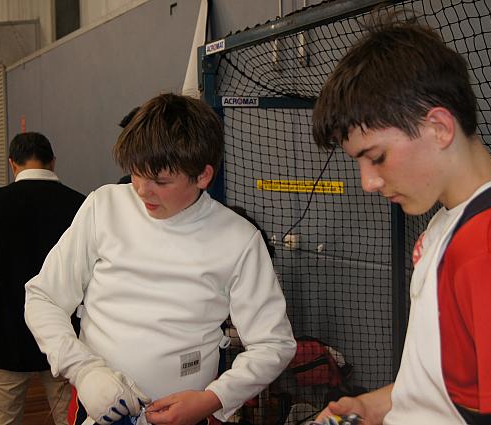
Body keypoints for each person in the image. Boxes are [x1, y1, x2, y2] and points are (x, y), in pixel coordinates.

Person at [311, 15, 491, 425]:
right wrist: (372, 406)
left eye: (377, 157)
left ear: (439, 128)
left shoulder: (489, 249)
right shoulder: (455, 222)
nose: (368, 182)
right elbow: (452, 384)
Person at [24, 93, 296, 425]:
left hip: (188, 415)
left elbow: (273, 343)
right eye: (136, 174)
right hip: (98, 409)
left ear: (203, 176)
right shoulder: (103, 207)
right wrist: (84, 370)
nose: (142, 190)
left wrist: (213, 398)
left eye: (161, 181)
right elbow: (43, 297)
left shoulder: (238, 238)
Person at [0, 132, 85, 425]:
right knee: (70, 418)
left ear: (12, 163)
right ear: (53, 162)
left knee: (2, 419)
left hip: (4, 332)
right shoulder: (80, 205)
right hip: (66, 335)